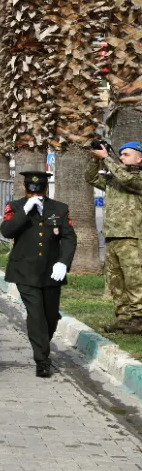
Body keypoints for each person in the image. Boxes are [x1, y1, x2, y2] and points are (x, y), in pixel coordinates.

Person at [0, 171, 76, 378]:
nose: (36, 193)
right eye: (31, 190)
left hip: (51, 271)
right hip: (25, 271)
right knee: (36, 315)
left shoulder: (59, 208)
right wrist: (25, 210)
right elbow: (6, 231)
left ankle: (42, 344)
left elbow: (69, 237)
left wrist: (63, 262)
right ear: (25, 188)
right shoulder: (15, 207)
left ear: (46, 188)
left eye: (40, 190)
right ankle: (42, 360)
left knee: (50, 316)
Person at [86, 141, 142, 333]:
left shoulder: (136, 178)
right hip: (111, 236)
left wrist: (107, 159)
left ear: (139, 158)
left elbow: (128, 180)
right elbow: (91, 178)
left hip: (131, 237)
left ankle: (139, 318)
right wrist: (95, 160)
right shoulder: (114, 179)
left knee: (134, 279)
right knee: (116, 281)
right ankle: (124, 318)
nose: (122, 157)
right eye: (121, 154)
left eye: (126, 154)